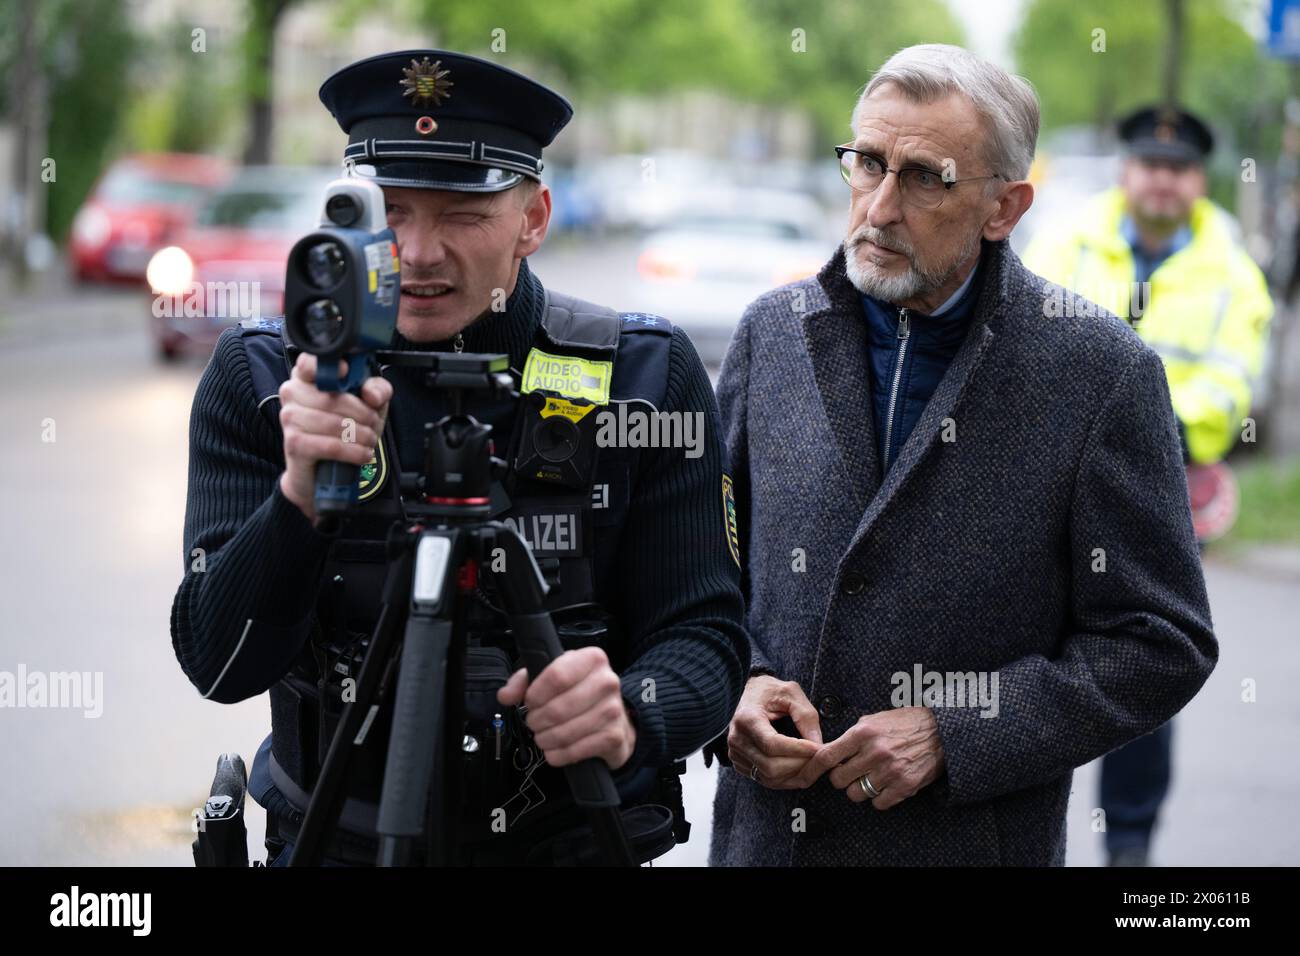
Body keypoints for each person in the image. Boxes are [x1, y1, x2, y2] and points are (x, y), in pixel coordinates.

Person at [170, 49, 748, 866]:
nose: (420, 251)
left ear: (534, 219)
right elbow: (218, 662)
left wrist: (632, 708)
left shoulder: (641, 377)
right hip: (335, 840)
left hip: (563, 843)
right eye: (393, 214)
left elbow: (707, 635)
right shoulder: (267, 379)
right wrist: (299, 499)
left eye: (463, 216)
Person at [707, 44, 1217, 867]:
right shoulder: (771, 334)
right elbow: (705, 575)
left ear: (1004, 207)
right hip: (768, 843)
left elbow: (1160, 641)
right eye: (866, 163)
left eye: (923, 177)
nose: (876, 208)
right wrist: (740, 681)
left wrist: (957, 733)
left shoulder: (1100, 373)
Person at [1022, 104, 1272, 865]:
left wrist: (1121, 430)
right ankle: (1031, 831)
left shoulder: (1235, 274)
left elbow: (1230, 394)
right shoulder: (1062, 241)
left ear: (1198, 180)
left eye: (1179, 169)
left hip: (1154, 497)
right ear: (1128, 169)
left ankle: (1129, 847)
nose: (1163, 180)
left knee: (1144, 666)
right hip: (1046, 491)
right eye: (1150, 165)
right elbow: (1021, 359)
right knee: (1029, 662)